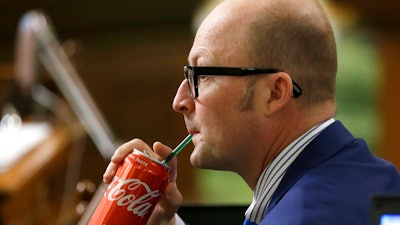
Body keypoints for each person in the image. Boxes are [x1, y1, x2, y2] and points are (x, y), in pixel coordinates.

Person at [103, 0, 400, 224]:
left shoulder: (301, 215)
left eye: (203, 75)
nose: (180, 100)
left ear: (274, 93)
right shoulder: (381, 179)